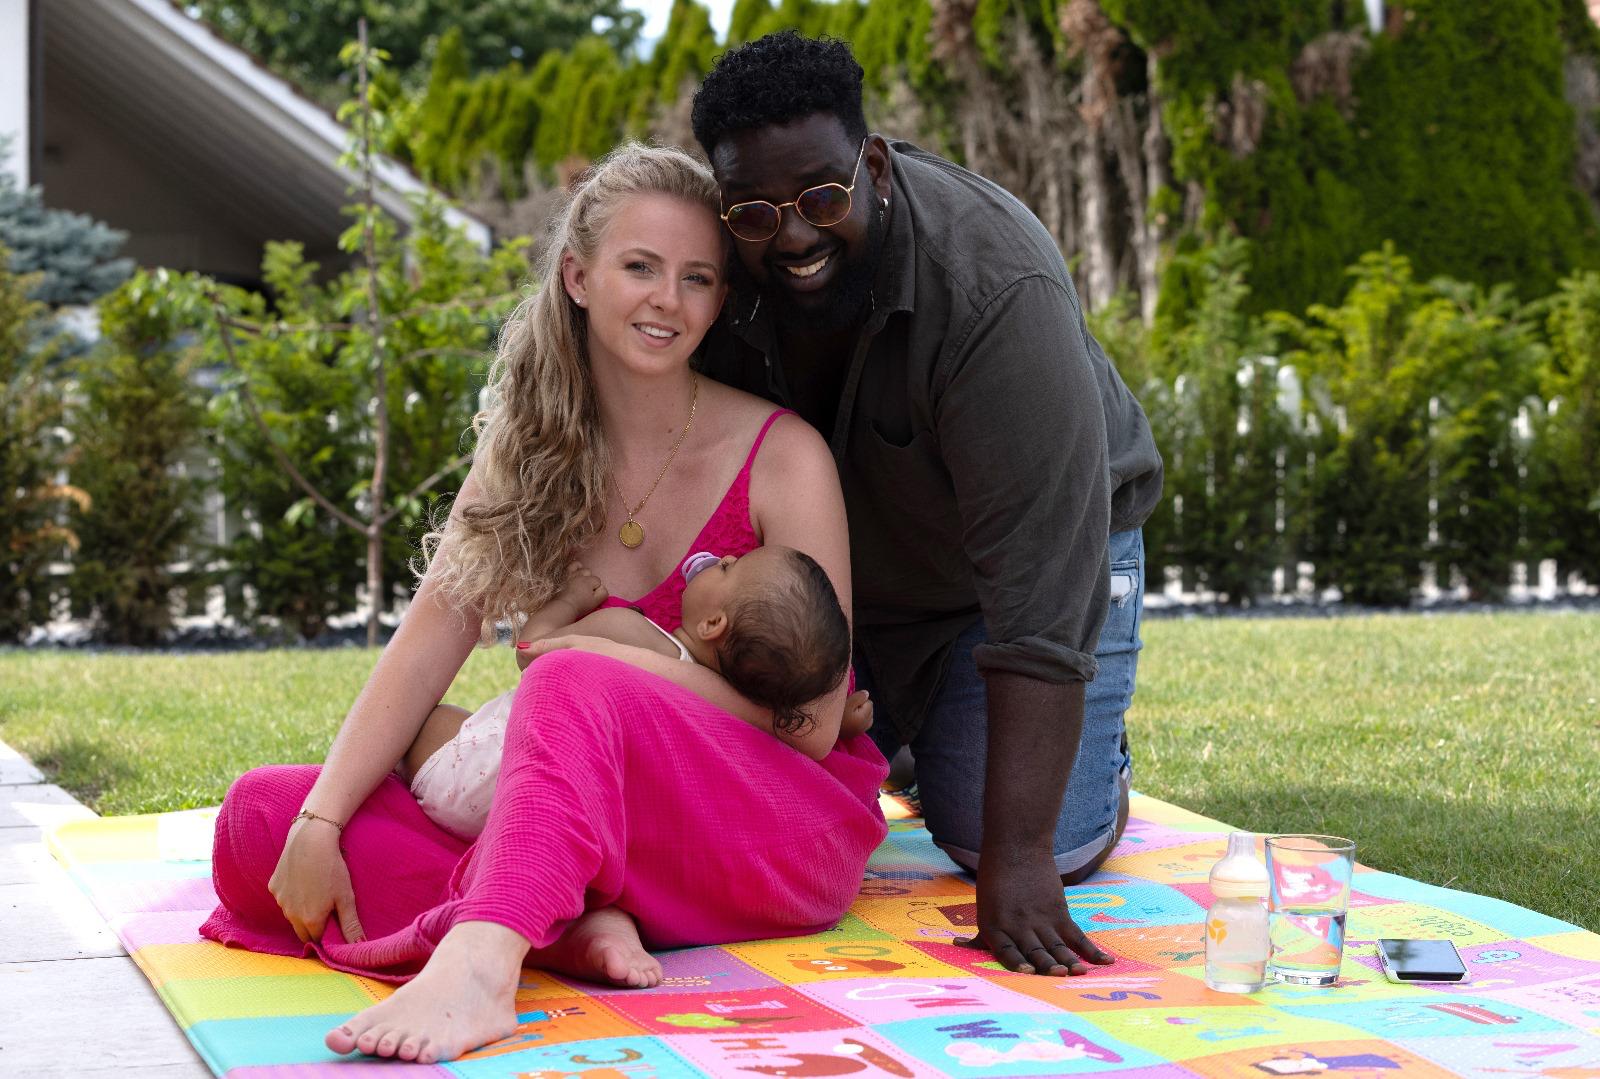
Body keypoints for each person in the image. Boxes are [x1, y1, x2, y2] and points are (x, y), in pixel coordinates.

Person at [199, 144, 888, 1065]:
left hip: (762, 820)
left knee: (568, 681)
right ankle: (568, 920)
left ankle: (484, 959)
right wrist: (322, 820)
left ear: (721, 299)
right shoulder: (530, 449)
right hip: (591, 820)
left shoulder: (781, 454)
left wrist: (604, 665)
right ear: (577, 275)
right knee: (262, 818)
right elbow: (428, 642)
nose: (668, 301)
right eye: (640, 267)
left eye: (697, 279)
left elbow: (807, 724)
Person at [690, 33, 1165, 978]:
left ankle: (1088, 766)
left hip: (1039, 564)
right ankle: (911, 734)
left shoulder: (995, 288)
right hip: (848, 577)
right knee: (738, 812)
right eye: (754, 212)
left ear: (873, 167)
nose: (791, 237)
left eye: (823, 199)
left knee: (1010, 840)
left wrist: (1020, 857)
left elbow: (1042, 589)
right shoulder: (714, 267)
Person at [404, 545, 867, 840]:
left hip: (489, 776)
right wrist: (839, 721)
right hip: (570, 824)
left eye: (730, 568)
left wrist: (569, 600)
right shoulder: (722, 712)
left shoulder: (629, 632)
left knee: (430, 720)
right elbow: (776, 737)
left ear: (712, 624)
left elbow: (532, 652)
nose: (723, 556)